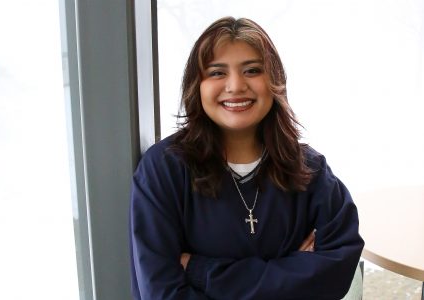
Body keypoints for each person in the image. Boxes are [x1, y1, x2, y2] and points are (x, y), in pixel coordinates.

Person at [129, 16, 364, 300]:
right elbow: (161, 293)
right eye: (217, 72)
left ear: (274, 81)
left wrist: (202, 271)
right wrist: (291, 275)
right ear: (197, 85)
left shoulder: (310, 170)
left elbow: (334, 276)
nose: (236, 85)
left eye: (252, 70)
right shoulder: (163, 170)